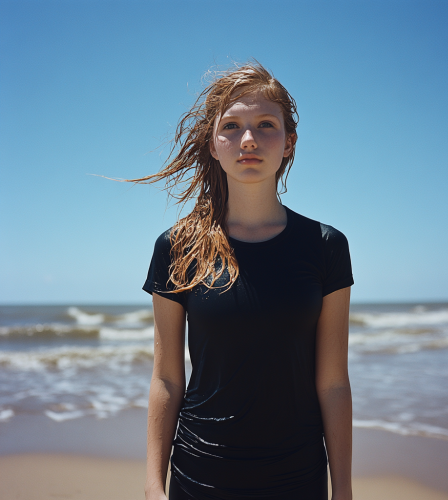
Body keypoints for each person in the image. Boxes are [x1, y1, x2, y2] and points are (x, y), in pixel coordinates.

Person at [137, 62, 354, 500]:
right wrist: (152, 487)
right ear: (214, 145)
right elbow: (166, 380)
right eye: (232, 126)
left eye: (265, 125)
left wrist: (343, 489)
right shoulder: (177, 247)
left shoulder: (325, 246)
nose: (248, 139)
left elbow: (332, 382)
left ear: (289, 142)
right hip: (199, 476)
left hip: (297, 477)